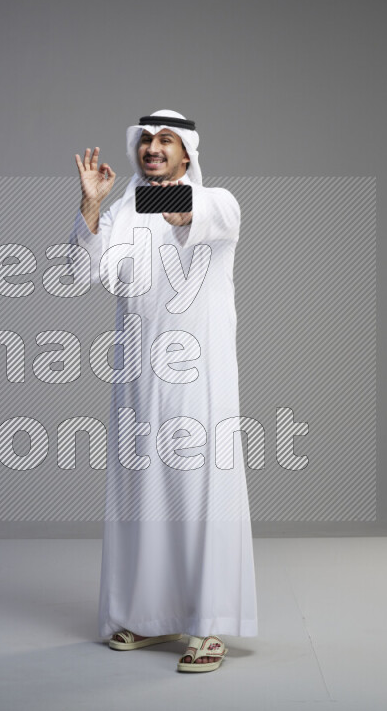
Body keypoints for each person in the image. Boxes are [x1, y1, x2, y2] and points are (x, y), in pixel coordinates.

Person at [70, 110, 257, 672]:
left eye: (166, 141)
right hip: (135, 382)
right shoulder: (122, 211)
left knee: (201, 497)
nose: (153, 148)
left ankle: (210, 628)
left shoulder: (220, 202)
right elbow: (81, 273)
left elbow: (182, 213)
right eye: (146, 141)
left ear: (188, 154)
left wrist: (131, 202)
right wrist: (93, 206)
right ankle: (149, 620)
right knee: (139, 501)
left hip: (200, 378)